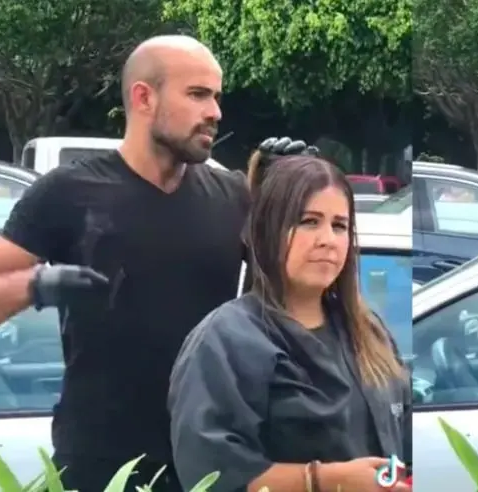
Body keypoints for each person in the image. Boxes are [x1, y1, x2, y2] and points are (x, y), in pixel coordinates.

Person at [0, 34, 312, 491]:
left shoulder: (233, 196)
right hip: (99, 466)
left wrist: (285, 190)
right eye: (197, 94)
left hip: (209, 461)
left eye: (216, 97)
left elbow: (293, 291)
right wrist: (39, 285)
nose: (215, 112)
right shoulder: (68, 192)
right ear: (143, 98)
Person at [168, 154, 412, 492]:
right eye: (309, 221)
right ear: (268, 230)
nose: (327, 239)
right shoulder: (225, 341)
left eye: (339, 226)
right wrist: (326, 481)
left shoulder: (369, 332)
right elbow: (209, 474)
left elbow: (403, 442)